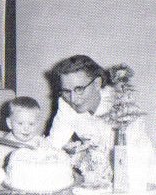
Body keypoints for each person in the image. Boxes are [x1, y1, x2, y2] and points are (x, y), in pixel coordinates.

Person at [47, 55, 154, 190]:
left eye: (79, 89)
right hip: (98, 178)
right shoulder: (65, 104)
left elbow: (138, 160)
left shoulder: (123, 107)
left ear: (97, 83)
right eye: (66, 91)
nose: (73, 99)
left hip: (136, 175)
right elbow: (53, 145)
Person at [0, 96, 44, 168]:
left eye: (31, 124)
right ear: (9, 124)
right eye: (20, 123)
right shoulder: (4, 146)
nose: (26, 129)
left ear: (38, 124)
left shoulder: (40, 143)